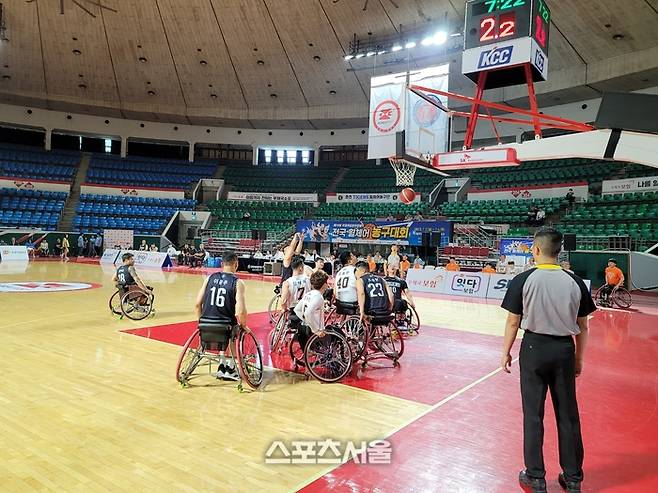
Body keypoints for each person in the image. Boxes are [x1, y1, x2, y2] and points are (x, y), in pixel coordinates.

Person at [500, 228, 596, 493]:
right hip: (564, 349)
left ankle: (535, 476)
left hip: (533, 348)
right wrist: (578, 358)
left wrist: (505, 351)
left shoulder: (522, 279)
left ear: (536, 250)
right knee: (568, 415)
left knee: (533, 414)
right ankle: (573, 478)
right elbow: (584, 327)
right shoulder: (575, 282)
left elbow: (512, 321)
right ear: (559, 251)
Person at [194, 252, 247, 380]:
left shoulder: (209, 278)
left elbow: (197, 304)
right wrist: (244, 325)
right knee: (235, 330)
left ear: (222, 264)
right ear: (236, 264)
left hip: (206, 323)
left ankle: (222, 364)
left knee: (223, 331)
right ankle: (232, 367)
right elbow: (240, 312)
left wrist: (201, 322)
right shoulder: (238, 282)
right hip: (226, 325)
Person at [294, 270, 331, 351]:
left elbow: (297, 309)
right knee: (337, 333)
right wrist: (315, 330)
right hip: (315, 331)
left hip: (303, 327)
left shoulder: (309, 294)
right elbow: (308, 313)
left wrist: (305, 320)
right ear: (324, 284)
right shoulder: (318, 297)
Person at [384, 264, 416, 332]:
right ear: (387, 269)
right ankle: (397, 321)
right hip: (387, 302)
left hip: (397, 301)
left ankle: (401, 321)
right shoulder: (383, 280)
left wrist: (412, 302)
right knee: (399, 302)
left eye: (394, 266)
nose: (392, 267)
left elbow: (407, 292)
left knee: (403, 302)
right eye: (390, 266)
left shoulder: (401, 281)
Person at [334, 250, 358, 315]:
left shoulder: (339, 272)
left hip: (339, 301)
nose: (355, 257)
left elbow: (334, 291)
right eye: (353, 256)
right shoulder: (355, 270)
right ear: (349, 261)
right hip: (352, 301)